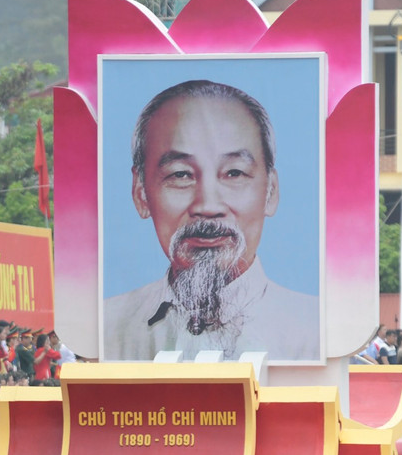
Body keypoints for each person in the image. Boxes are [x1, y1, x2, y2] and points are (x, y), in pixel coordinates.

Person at [103, 80, 319, 362]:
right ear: (141, 192)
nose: (207, 206)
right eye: (180, 175)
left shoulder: (314, 331)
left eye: (234, 173)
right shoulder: (109, 326)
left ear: (271, 191)